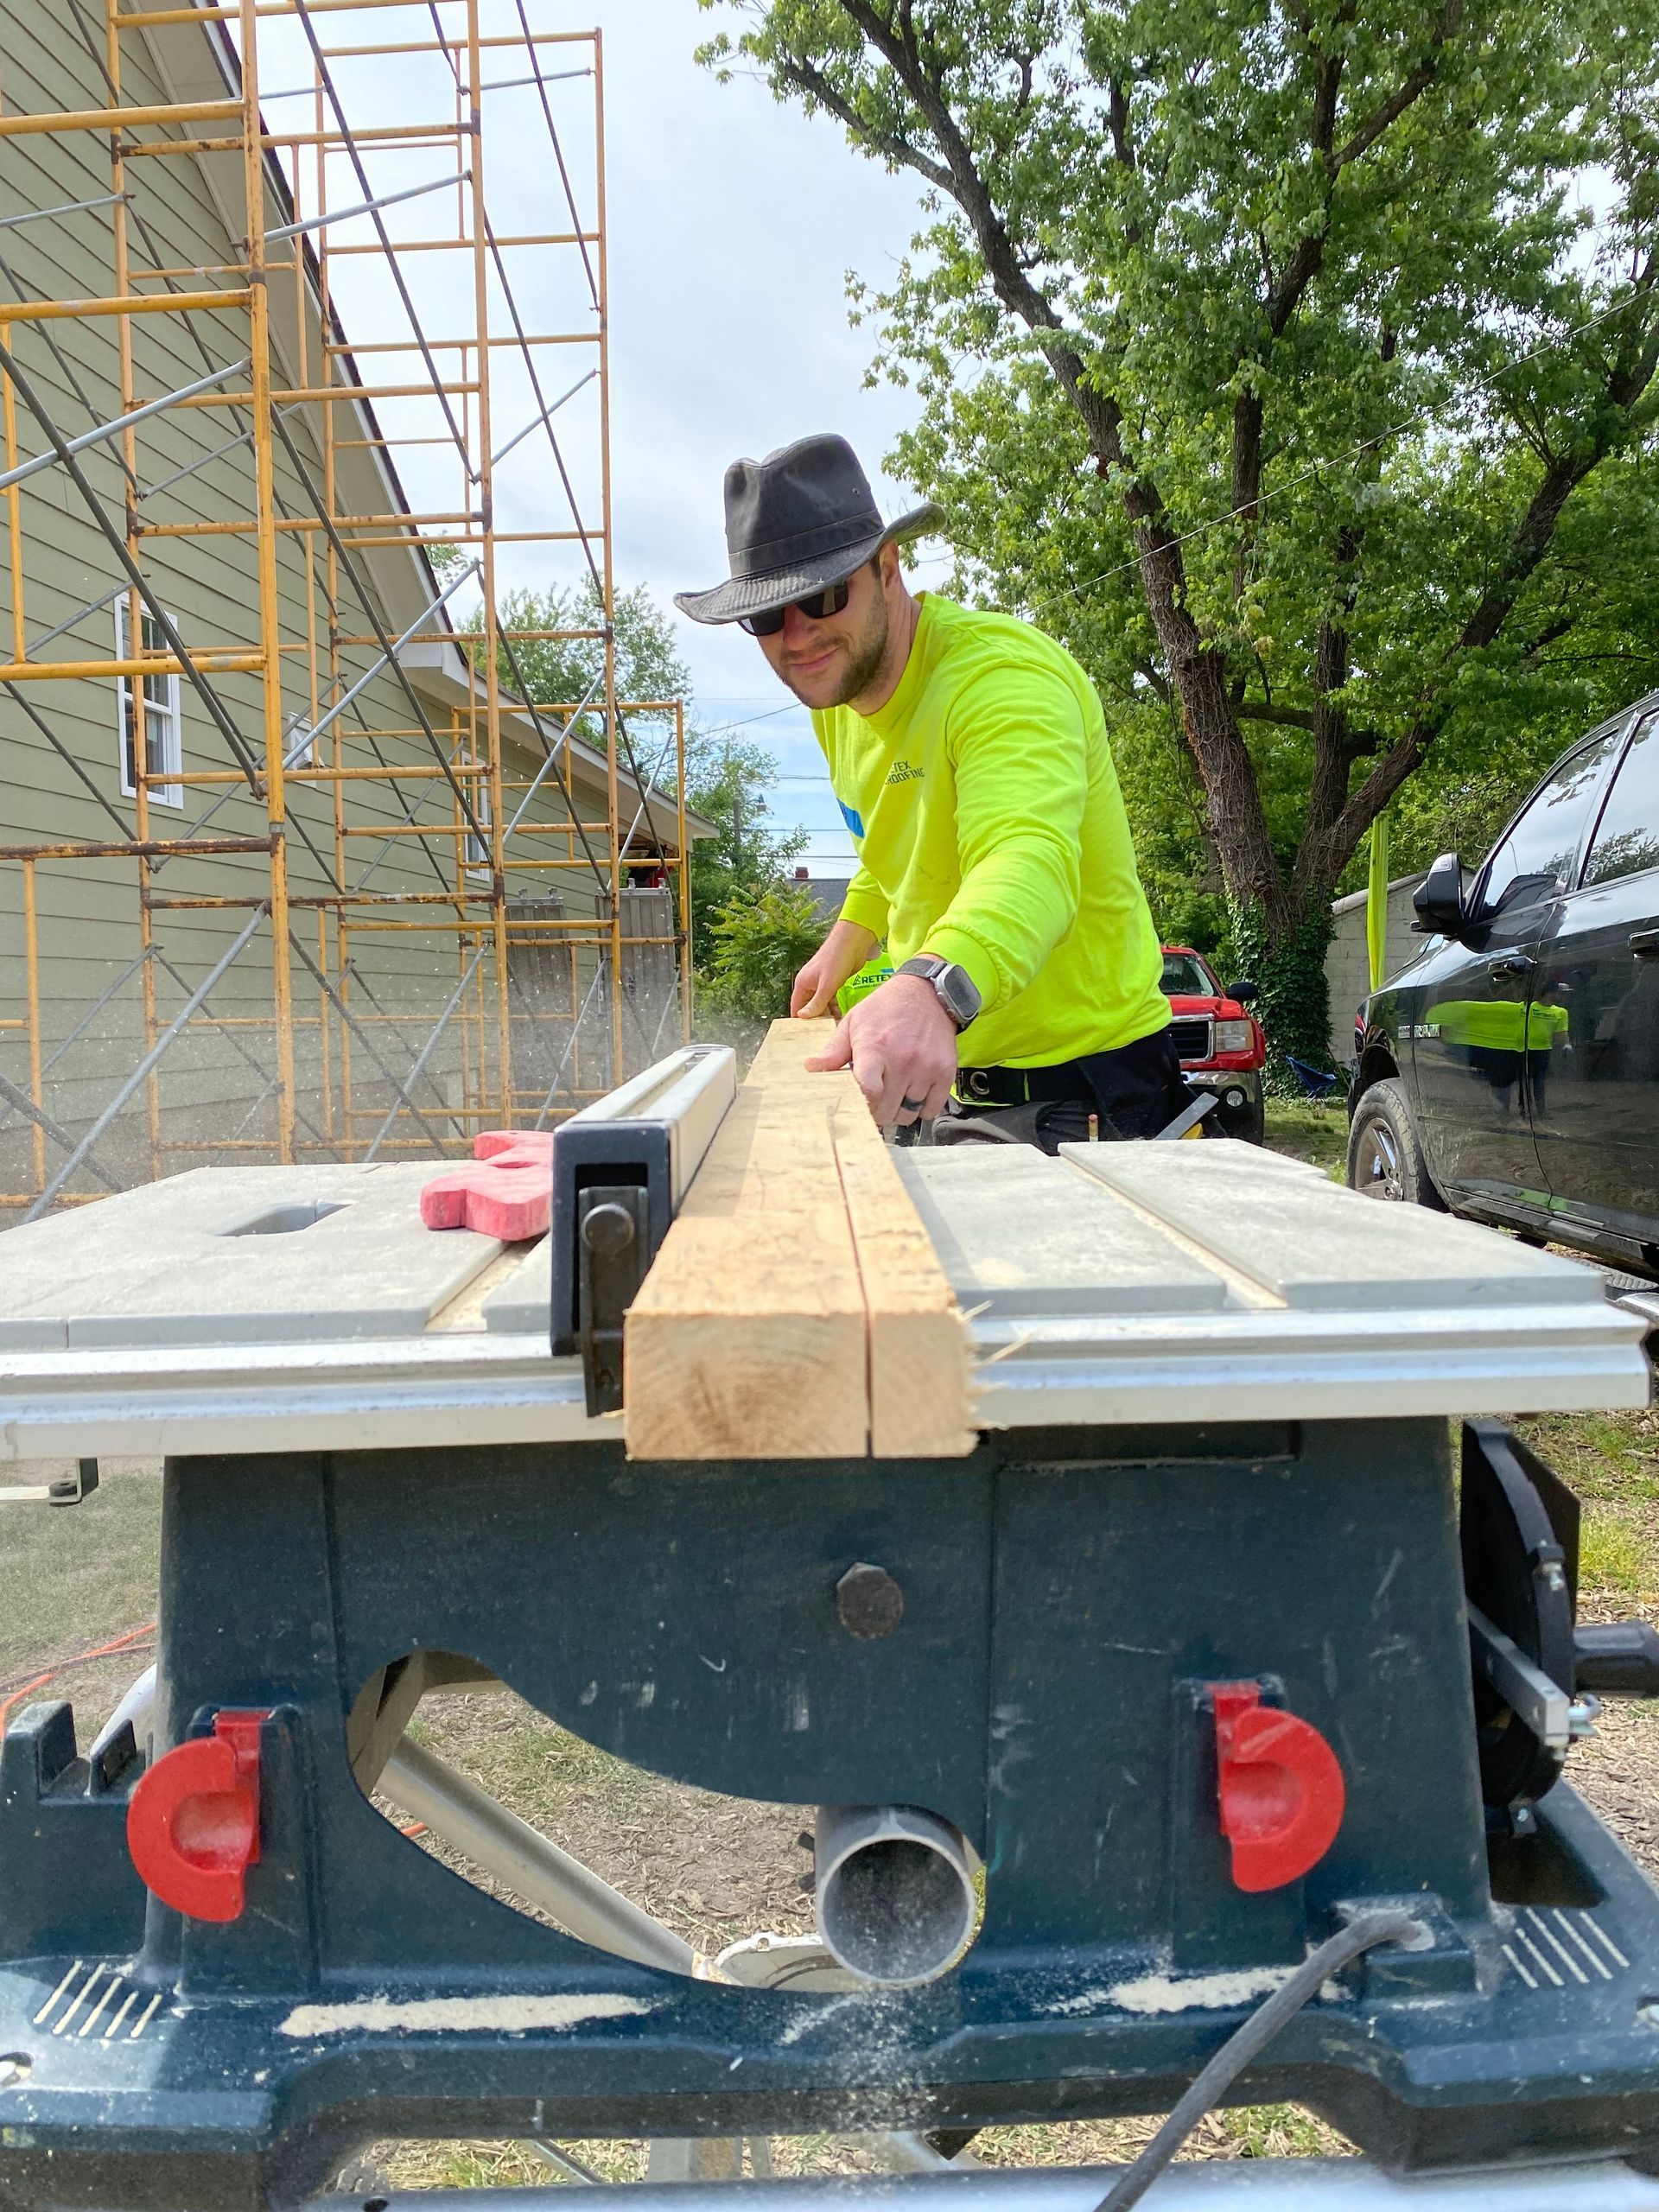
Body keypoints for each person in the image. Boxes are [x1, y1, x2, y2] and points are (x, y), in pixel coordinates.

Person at [675, 433, 1184, 1150]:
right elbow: (892, 853)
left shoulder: (1000, 679)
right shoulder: (837, 702)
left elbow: (1029, 858)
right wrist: (845, 940)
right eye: (766, 615)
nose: (798, 636)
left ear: (889, 568)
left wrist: (930, 988)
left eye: (823, 596)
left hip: (1092, 1095)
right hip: (952, 1080)